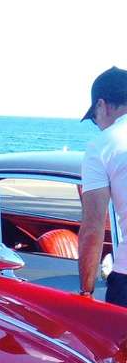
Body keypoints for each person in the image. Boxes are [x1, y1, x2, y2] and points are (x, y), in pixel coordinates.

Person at [77, 65, 127, 306]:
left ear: (101, 105)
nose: (97, 125)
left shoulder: (102, 145)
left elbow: (92, 229)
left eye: (94, 118)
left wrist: (86, 292)